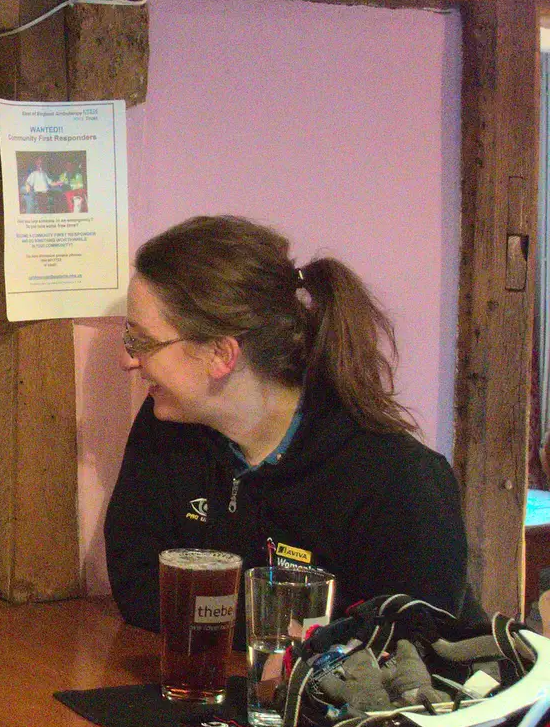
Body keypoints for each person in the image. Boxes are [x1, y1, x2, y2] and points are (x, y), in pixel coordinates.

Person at [105, 215, 470, 633]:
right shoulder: (166, 427)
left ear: (222, 354)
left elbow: (410, 646)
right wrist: (286, 626)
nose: (127, 360)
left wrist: (227, 618)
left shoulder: (399, 482)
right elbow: (137, 590)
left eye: (144, 342)